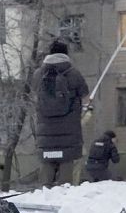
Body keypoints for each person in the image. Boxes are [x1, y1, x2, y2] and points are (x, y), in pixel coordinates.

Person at [31, 40, 90, 187]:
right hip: (69, 131)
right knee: (66, 170)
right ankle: (64, 194)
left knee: (46, 170)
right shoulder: (73, 73)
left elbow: (35, 96)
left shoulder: (38, 74)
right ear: (66, 54)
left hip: (45, 132)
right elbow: (85, 97)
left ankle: (45, 192)